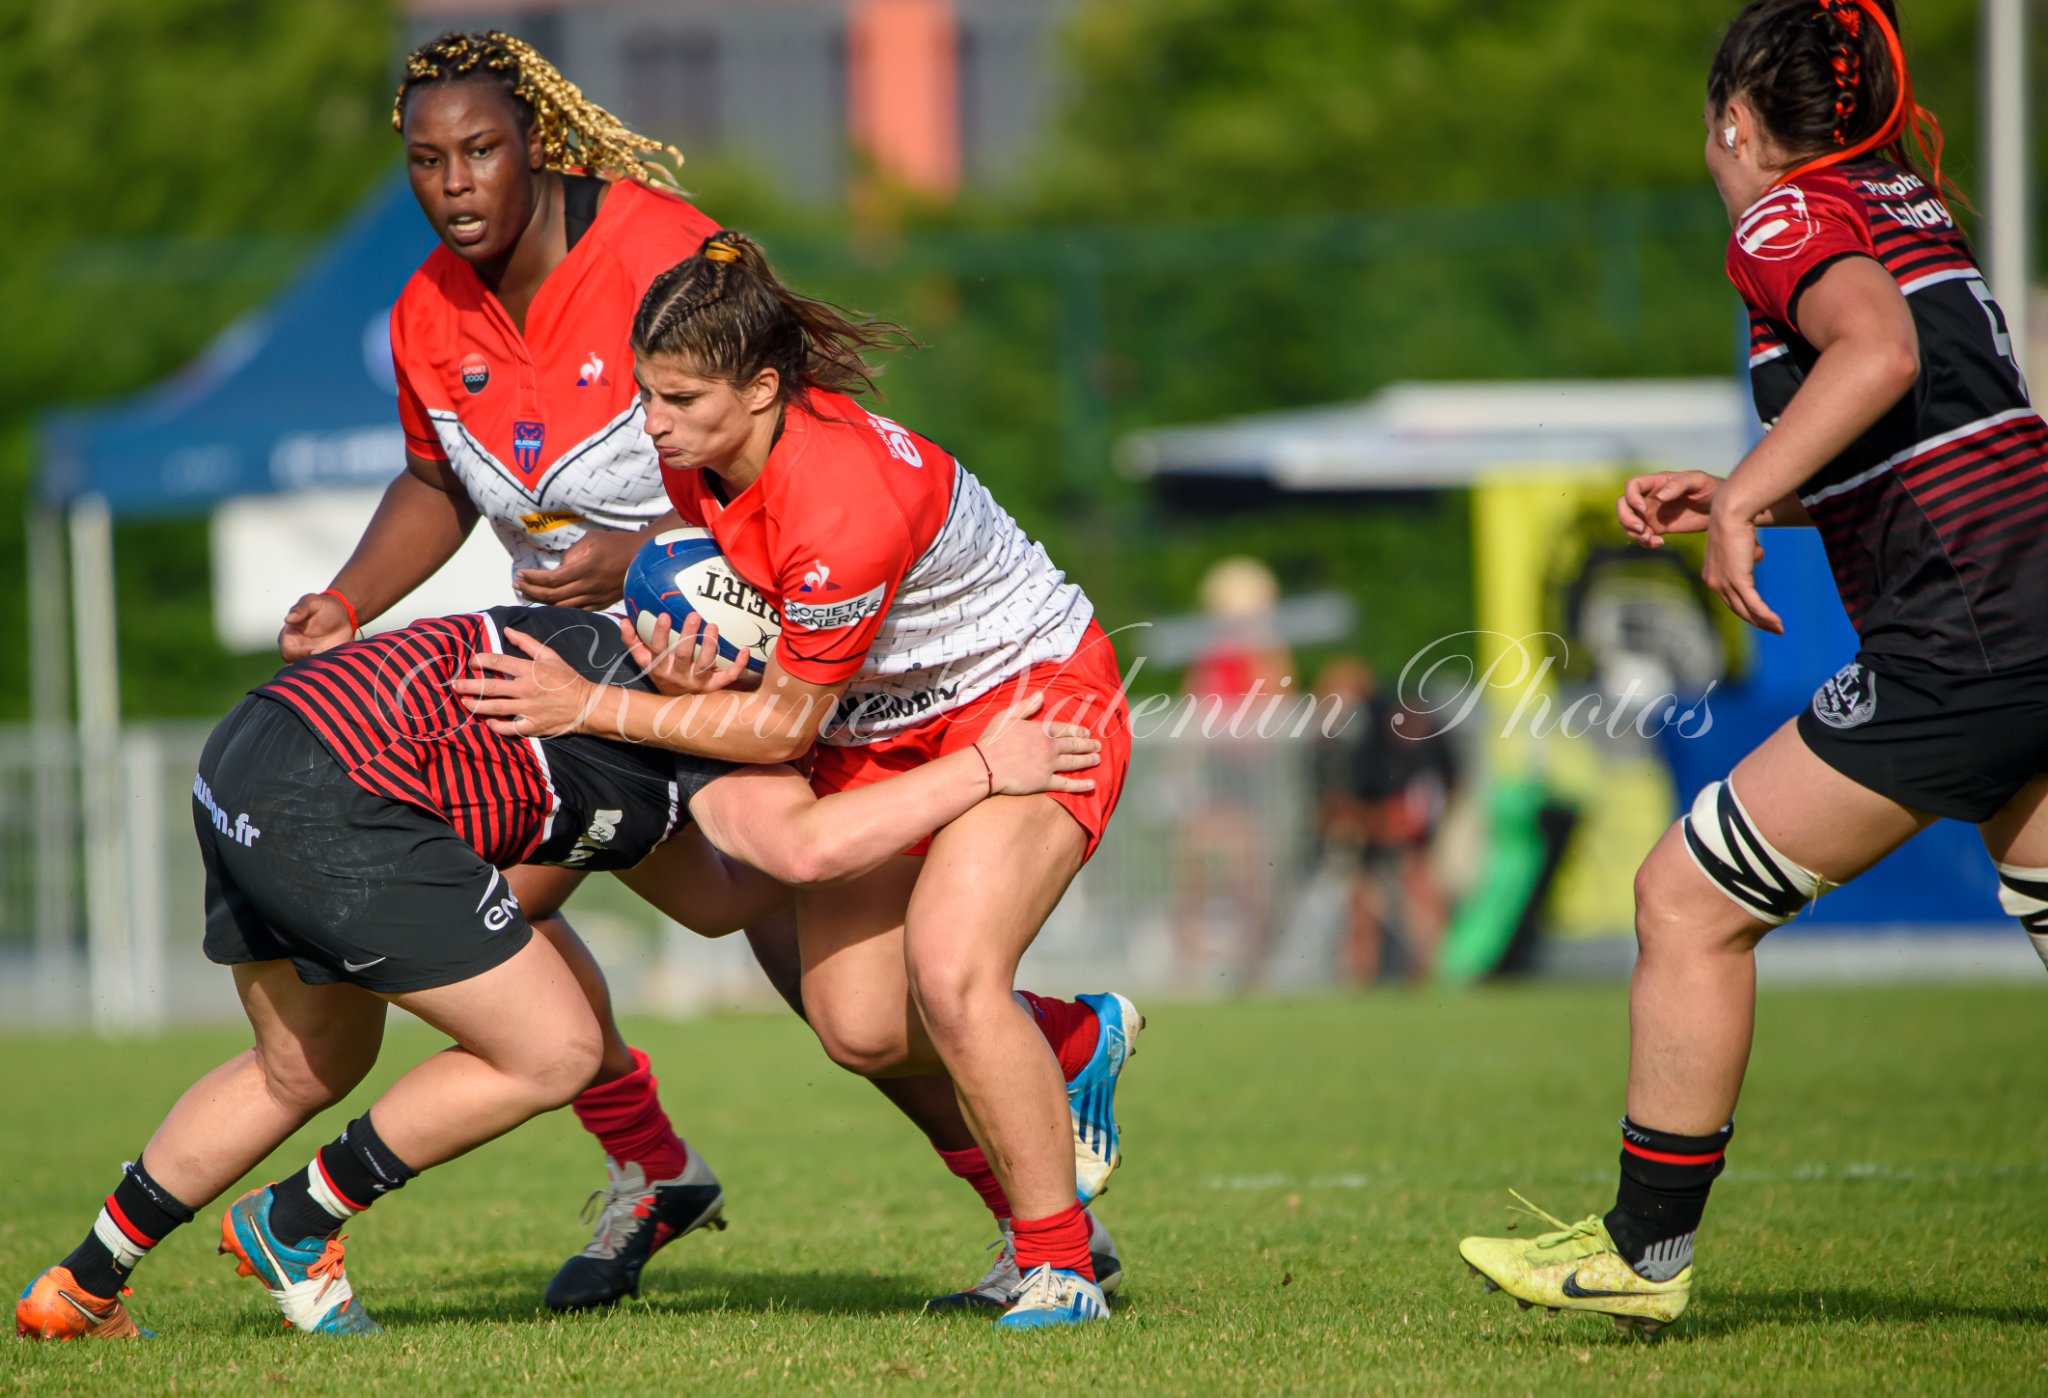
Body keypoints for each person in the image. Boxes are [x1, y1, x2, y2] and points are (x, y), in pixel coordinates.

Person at [275, 30, 1024, 1312]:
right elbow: (435, 478)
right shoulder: (423, 311)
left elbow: (790, 431)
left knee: (828, 997)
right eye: (424, 161)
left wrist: (633, 551)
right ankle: (667, 1167)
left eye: (481, 151)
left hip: (718, 672)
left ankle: (1032, 1183)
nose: (454, 183)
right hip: (592, 682)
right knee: (532, 916)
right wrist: (347, 596)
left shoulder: (661, 248)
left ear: (542, 145)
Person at [14, 605, 1100, 1341]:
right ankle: (293, 1221)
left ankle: (84, 1281)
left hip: (253, 749)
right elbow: (799, 852)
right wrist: (977, 773)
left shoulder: (608, 670)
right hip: (339, 796)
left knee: (304, 1065)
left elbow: (719, 901)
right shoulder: (692, 729)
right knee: (553, 1047)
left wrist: (879, 854)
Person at [1457, 0, 2048, 1335]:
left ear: (1735, 119)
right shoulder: (1914, 210)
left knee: (1687, 897)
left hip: (1962, 635)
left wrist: (1737, 510)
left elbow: (1877, 352)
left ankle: (1644, 1252)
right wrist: (1745, 488)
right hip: (2029, 609)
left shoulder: (1783, 216)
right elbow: (1921, 429)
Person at [456, 232, 1144, 1327]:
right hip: (875, 723)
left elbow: (779, 729)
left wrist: (590, 706)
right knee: (860, 1028)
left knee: (955, 976)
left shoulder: (843, 501)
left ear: (764, 386)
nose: (653, 423)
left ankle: (1057, 1269)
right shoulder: (703, 459)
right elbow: (753, 626)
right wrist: (678, 645)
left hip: (1026, 704)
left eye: (678, 399)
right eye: (646, 393)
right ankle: (1069, 1035)